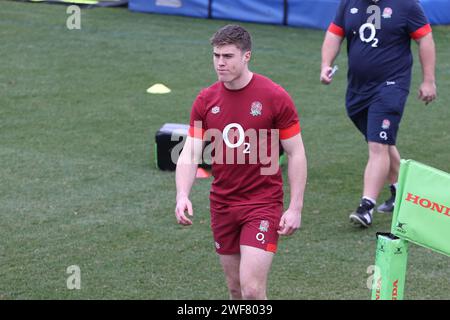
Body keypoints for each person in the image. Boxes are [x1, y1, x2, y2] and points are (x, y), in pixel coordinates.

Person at [175, 25, 307, 299]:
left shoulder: (274, 96)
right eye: (216, 56)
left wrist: (295, 207)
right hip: (223, 205)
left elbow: (296, 153)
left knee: (252, 290)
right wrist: (181, 194)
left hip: (262, 203)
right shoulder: (206, 100)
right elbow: (189, 153)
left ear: (247, 56)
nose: (220, 63)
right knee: (236, 290)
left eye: (228, 56)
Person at [320, 0, 436, 227]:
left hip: (391, 86)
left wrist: (428, 81)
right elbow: (335, 33)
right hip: (357, 90)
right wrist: (326, 63)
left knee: (377, 145)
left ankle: (366, 207)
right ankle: (401, 191)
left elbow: (425, 38)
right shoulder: (349, 3)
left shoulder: (407, 5)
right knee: (382, 140)